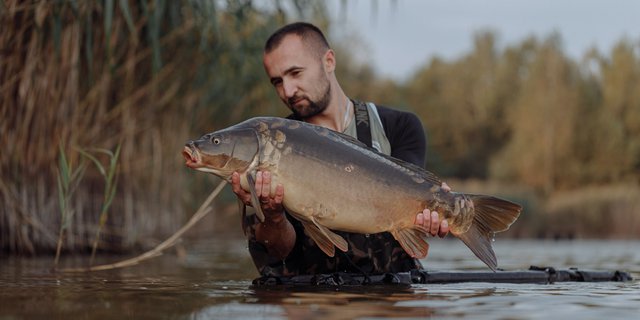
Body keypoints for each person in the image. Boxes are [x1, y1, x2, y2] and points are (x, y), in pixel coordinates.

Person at [231, 22, 449, 277]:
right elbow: (277, 252)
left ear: (329, 61)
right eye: (277, 82)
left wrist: (432, 212)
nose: (287, 91)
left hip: (390, 301)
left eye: (296, 73)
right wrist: (273, 216)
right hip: (311, 303)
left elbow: (410, 201)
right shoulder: (267, 149)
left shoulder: (398, 127)